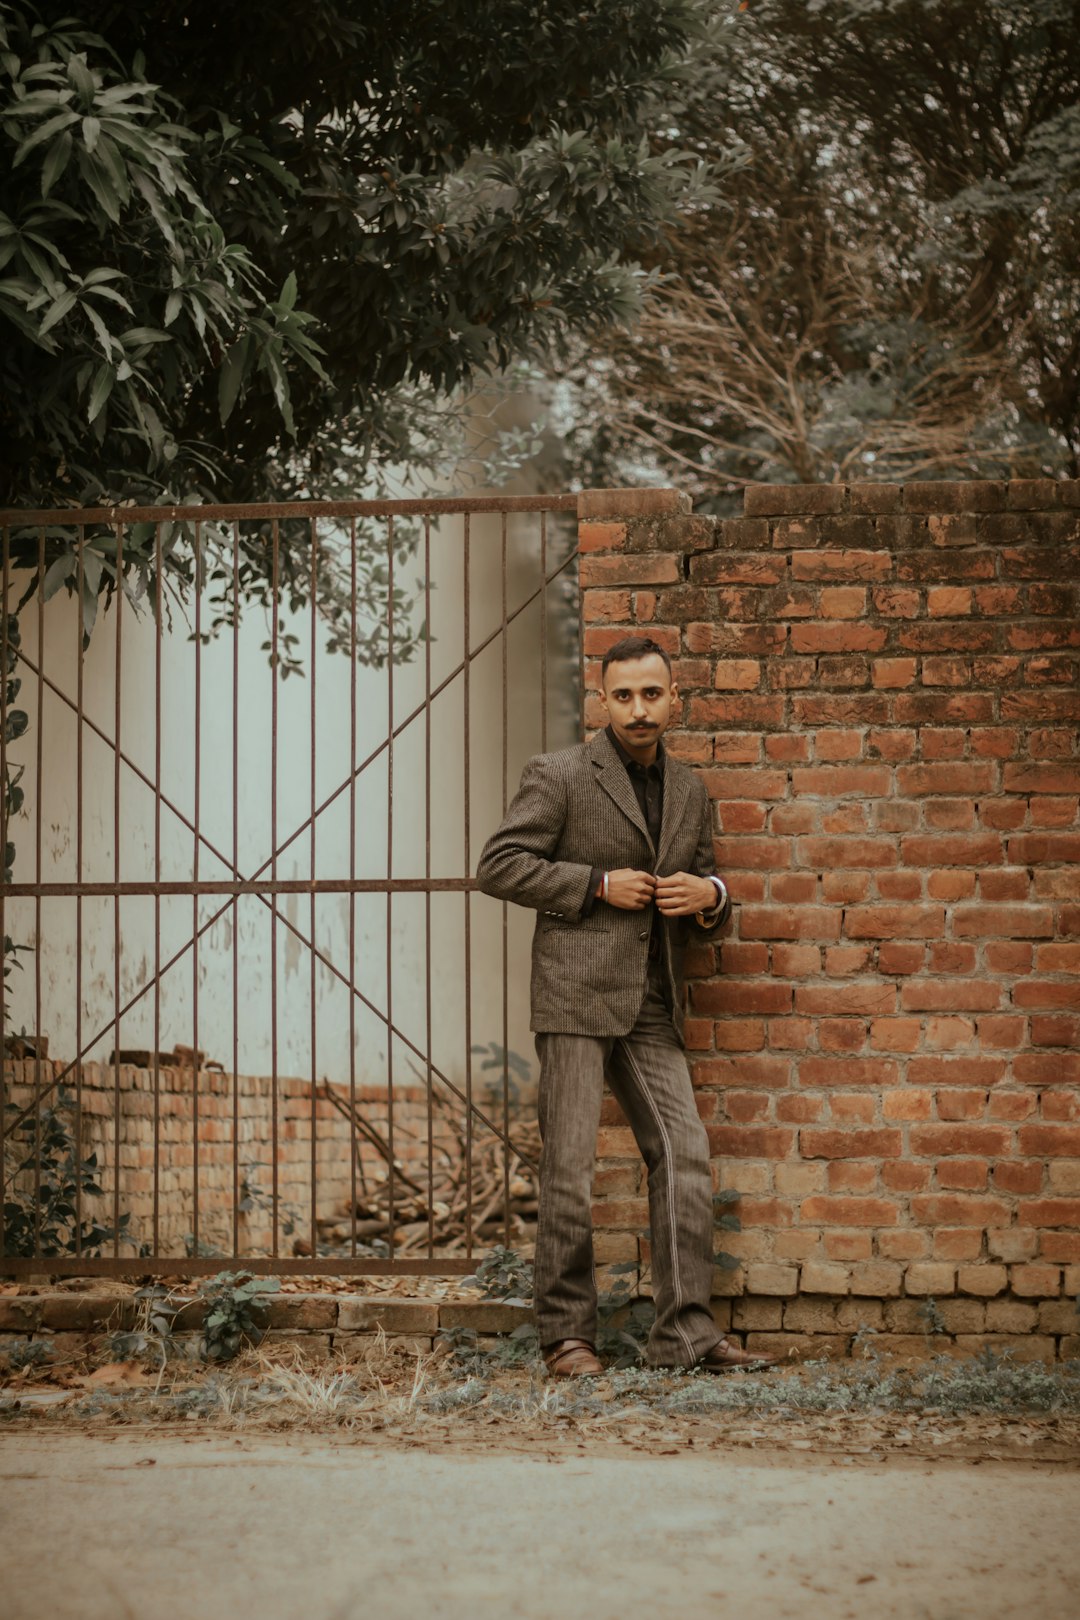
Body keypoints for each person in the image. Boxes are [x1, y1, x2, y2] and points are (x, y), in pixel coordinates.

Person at [476, 634, 778, 1378]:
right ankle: (567, 1338)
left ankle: (686, 1336)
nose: (638, 710)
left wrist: (709, 898)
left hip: (650, 1002)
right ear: (601, 700)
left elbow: (708, 885)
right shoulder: (560, 774)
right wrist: (595, 885)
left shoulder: (692, 790)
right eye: (623, 695)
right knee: (569, 1170)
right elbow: (499, 866)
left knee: (686, 1154)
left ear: (676, 699)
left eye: (652, 694)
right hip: (576, 995)